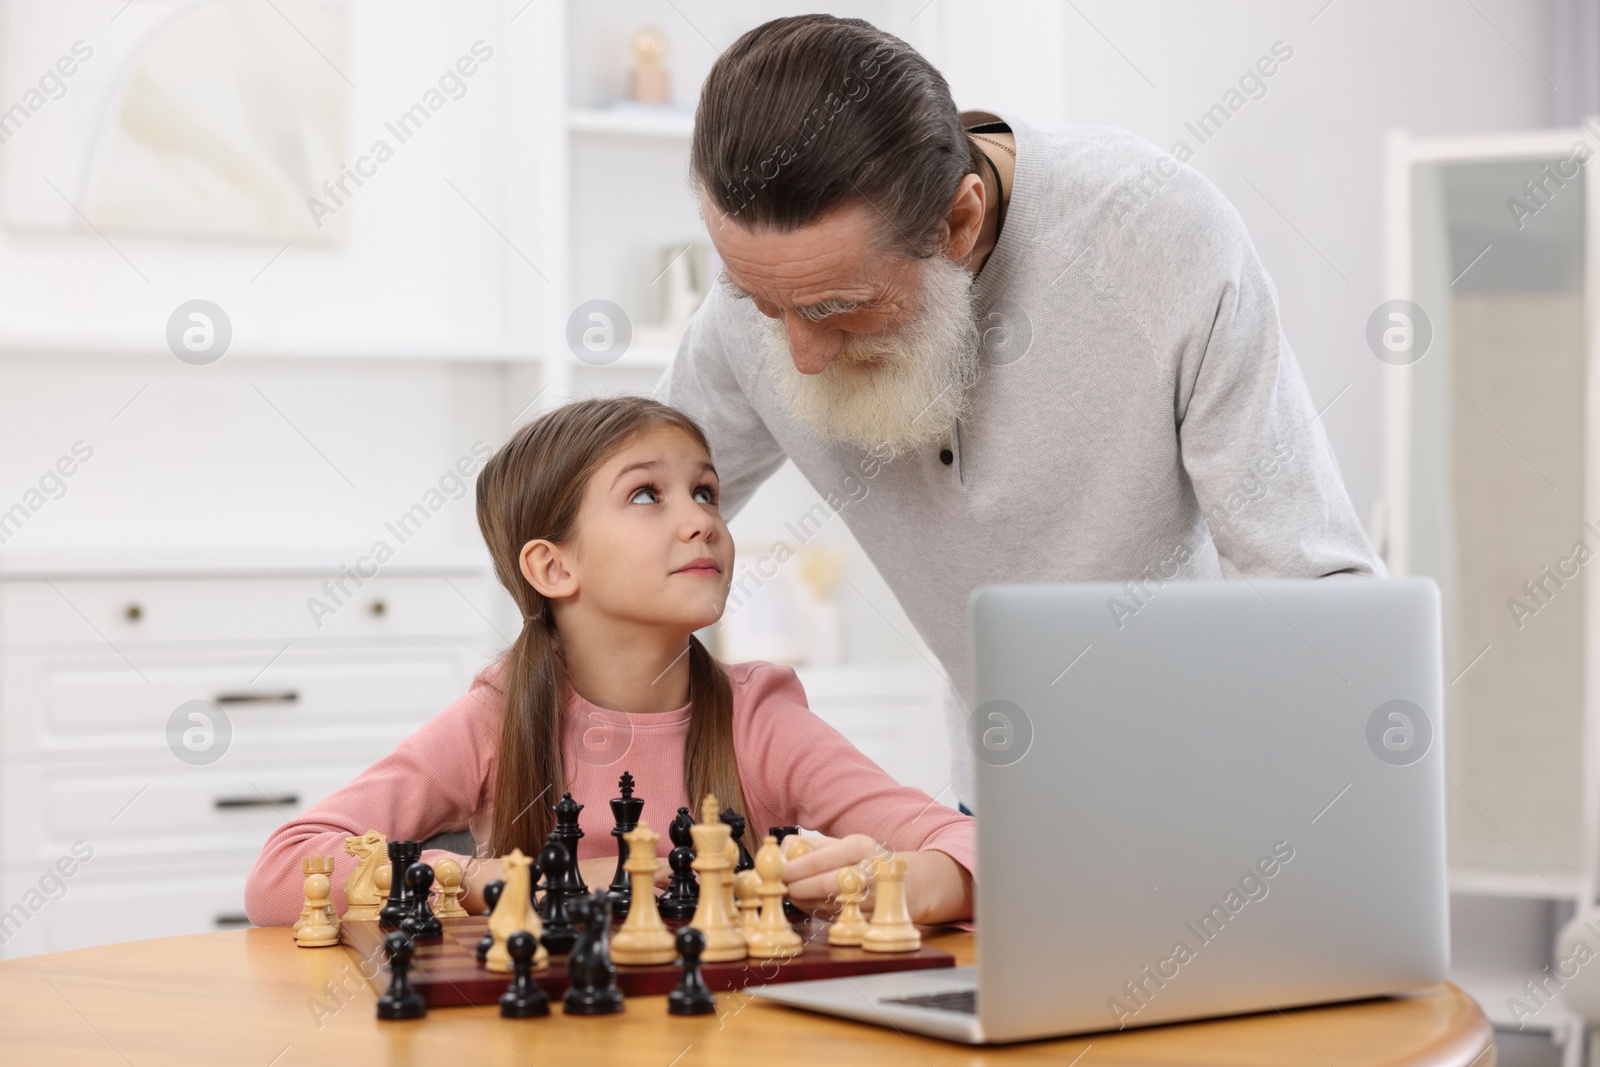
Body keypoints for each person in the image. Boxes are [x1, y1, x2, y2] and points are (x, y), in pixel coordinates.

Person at [655, 16, 1383, 813]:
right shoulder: (760, 302)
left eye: (839, 306)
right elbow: (616, 515)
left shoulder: (1160, 235)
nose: (799, 352)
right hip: (999, 807)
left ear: (959, 224)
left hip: (1217, 794)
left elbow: (1308, 586)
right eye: (764, 305)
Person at [243, 396, 974, 927]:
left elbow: (970, 843)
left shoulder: (758, 720)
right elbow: (284, 867)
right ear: (554, 567)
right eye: (648, 493)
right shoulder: (497, 719)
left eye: (706, 491)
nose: (703, 521)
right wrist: (480, 880)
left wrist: (927, 878)